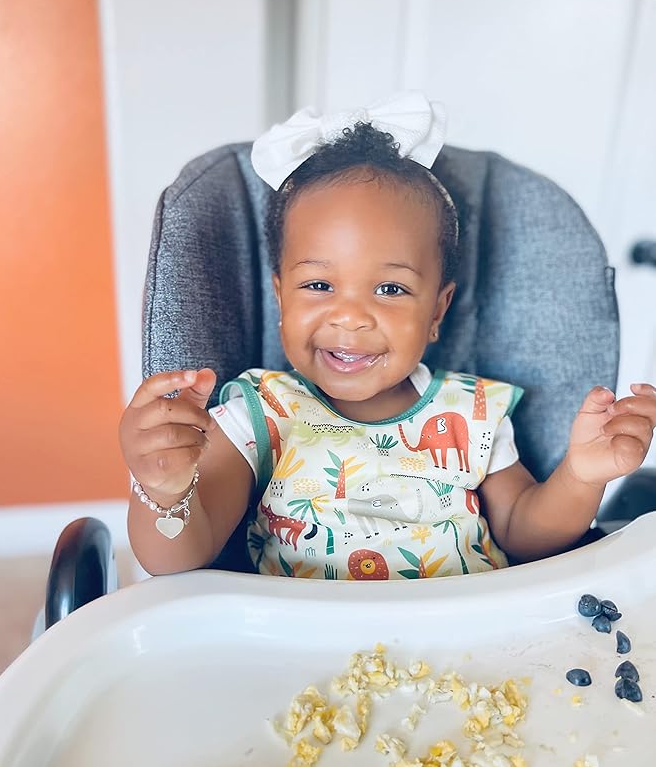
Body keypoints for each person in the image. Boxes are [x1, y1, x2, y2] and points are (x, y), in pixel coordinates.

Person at [119, 91, 656, 579]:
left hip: (469, 643)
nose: (351, 317)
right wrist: (165, 491)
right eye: (319, 285)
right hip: (303, 647)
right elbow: (184, 558)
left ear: (437, 310)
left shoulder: (471, 414)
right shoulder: (256, 415)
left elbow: (525, 536)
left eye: (391, 289)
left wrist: (582, 476)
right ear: (281, 298)